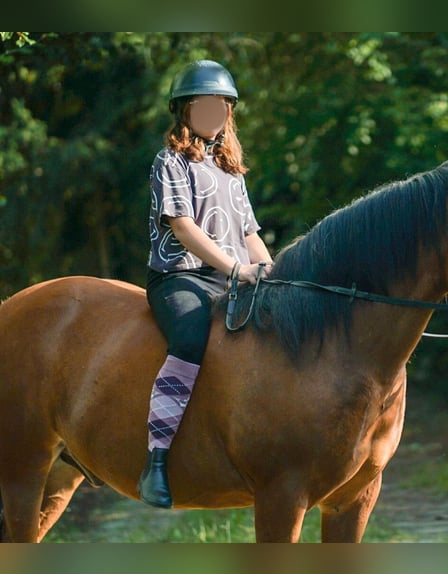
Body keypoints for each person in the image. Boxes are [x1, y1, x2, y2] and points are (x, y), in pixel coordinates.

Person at [139, 59, 272, 508]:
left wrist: (274, 272)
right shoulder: (170, 161)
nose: (214, 113)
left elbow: (249, 232)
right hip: (179, 278)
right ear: (184, 111)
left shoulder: (230, 168)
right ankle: (156, 459)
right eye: (204, 106)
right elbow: (183, 227)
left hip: (227, 277)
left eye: (221, 106)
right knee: (192, 337)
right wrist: (235, 270)